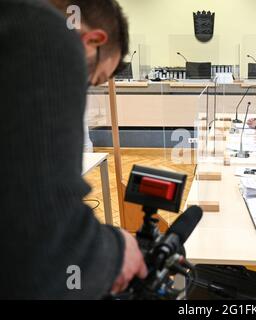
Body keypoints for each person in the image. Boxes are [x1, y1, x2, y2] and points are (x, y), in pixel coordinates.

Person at [0, 0, 146, 299]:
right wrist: (117, 251)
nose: (85, 86)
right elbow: (50, 249)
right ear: (92, 41)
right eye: (94, 79)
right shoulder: (47, 37)